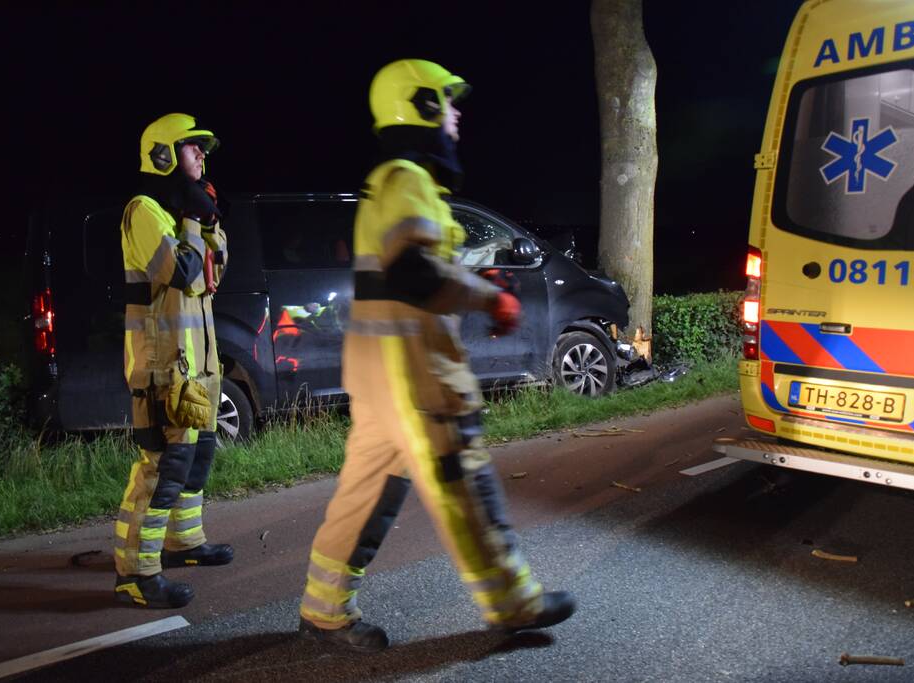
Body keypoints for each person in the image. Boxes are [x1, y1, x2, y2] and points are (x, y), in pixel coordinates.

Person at [297, 59, 576, 652]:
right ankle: (513, 601)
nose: (456, 116)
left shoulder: (387, 182)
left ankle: (323, 609)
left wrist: (470, 274)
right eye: (447, 103)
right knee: (464, 481)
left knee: (368, 493)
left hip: (381, 373)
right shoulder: (409, 180)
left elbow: (405, 267)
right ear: (421, 107)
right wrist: (492, 298)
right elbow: (414, 272)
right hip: (416, 374)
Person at [113, 113, 233, 608]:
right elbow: (184, 271)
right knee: (163, 466)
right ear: (163, 154)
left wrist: (206, 221)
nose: (201, 155)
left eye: (203, 148)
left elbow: (217, 270)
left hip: (198, 364)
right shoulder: (144, 211)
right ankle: (136, 574)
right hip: (163, 365)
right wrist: (195, 221)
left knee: (197, 456)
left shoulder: (185, 213)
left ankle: (183, 543)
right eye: (192, 147)